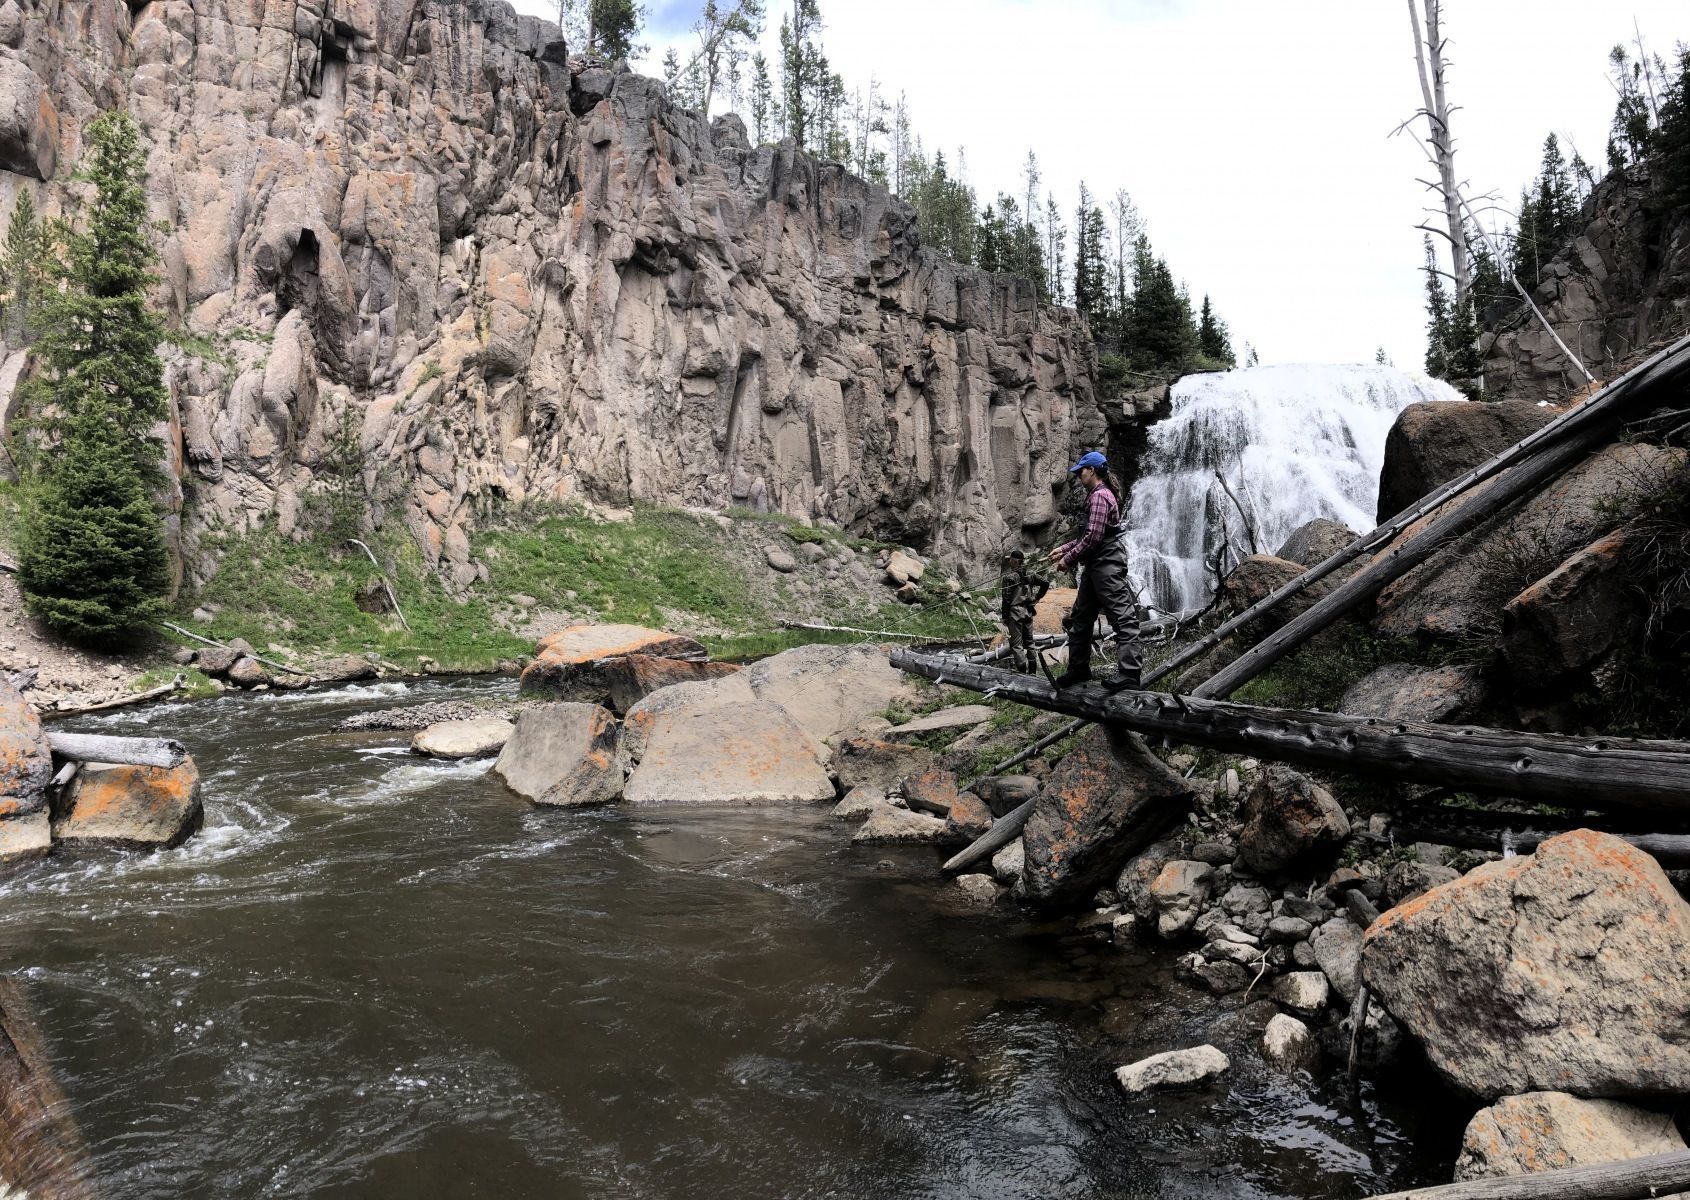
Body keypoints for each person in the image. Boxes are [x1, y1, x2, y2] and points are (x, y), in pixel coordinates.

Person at [1043, 450, 1143, 690]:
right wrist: (1063, 548)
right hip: (1095, 565)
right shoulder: (1097, 495)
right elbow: (1089, 534)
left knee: (1122, 617)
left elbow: (1094, 537)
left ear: (1093, 471)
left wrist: (1068, 559)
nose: (1078, 475)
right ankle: (1078, 669)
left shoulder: (1100, 496)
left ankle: (1129, 673)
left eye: (1081, 471)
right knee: (1081, 617)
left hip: (1106, 564)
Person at [998, 549, 1050, 673]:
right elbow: (1046, 583)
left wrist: (1004, 617)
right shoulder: (1030, 575)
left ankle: (1022, 672)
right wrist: (1037, 598)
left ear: (1015, 561)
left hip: (1014, 613)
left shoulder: (1009, 578)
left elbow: (1006, 599)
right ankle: (1033, 672)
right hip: (1028, 611)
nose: (1009, 561)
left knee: (1017, 644)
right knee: (1030, 642)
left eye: (1010, 559)